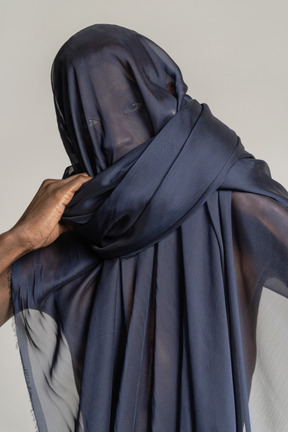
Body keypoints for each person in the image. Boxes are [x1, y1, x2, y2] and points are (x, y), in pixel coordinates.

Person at [1, 23, 288, 431]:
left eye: (131, 107)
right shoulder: (74, 234)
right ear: (72, 133)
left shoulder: (235, 200)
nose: (117, 140)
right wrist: (19, 238)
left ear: (167, 93)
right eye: (95, 124)